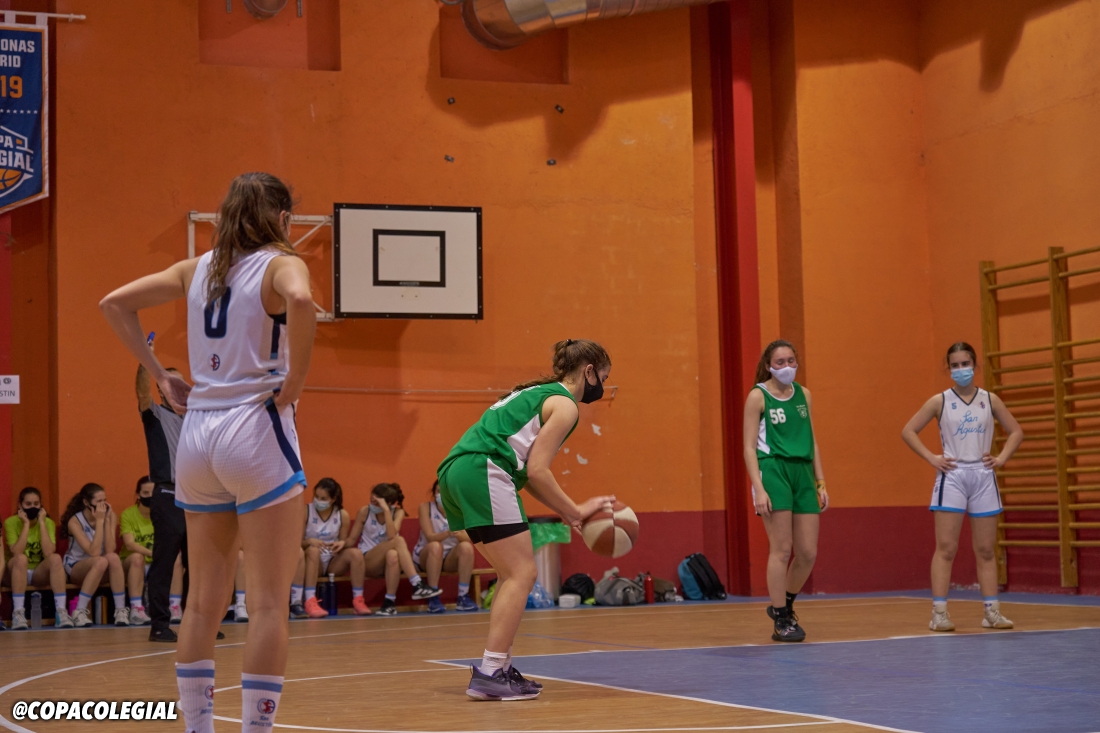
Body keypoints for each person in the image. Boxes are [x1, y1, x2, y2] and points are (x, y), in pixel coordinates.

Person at [100, 171, 315, 733]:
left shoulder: (195, 268)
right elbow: (301, 298)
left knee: (200, 603)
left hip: (197, 436)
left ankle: (198, 728)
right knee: (267, 605)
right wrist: (294, 382)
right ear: (282, 218)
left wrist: (159, 374)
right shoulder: (280, 263)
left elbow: (113, 303)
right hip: (255, 425)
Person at [438, 338, 617, 701]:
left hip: (458, 471)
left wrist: (565, 511)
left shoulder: (537, 393)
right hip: (484, 469)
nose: (603, 386)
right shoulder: (565, 405)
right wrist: (576, 509)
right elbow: (538, 470)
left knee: (512, 574)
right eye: (604, 377)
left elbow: (527, 472)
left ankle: (499, 668)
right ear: (589, 372)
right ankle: (491, 672)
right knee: (522, 573)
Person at [902, 341, 1023, 632]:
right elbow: (908, 430)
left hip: (983, 476)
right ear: (949, 369)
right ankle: (939, 613)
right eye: (955, 365)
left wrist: (1001, 458)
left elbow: (1016, 431)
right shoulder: (940, 401)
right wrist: (932, 458)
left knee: (985, 549)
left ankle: (992, 612)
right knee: (946, 547)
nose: (961, 369)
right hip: (953, 476)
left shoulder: (990, 400)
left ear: (975, 365)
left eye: (965, 364)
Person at [743, 340, 828, 643]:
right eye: (780, 362)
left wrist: (820, 481)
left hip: (803, 471)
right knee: (781, 548)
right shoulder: (758, 396)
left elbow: (812, 439)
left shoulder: (804, 394)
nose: (787, 366)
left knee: (807, 553)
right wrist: (759, 488)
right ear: (768, 365)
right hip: (774, 469)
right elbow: (748, 448)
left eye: (791, 360)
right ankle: (781, 618)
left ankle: (786, 603)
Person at [136, 339, 190, 643]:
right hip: (168, 495)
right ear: (162, 388)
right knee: (165, 561)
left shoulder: (196, 418)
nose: (181, 387)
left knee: (199, 564)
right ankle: (159, 624)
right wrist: (147, 358)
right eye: (174, 382)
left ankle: (196, 622)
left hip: (196, 497)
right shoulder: (154, 414)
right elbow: (141, 391)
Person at [350, 483, 441, 616]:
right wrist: (341, 544)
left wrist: (386, 511)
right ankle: (417, 583)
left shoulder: (398, 512)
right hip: (368, 560)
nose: (372, 505)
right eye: (371, 501)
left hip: (387, 563)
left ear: (389, 503)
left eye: (377, 503)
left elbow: (391, 534)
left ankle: (389, 603)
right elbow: (352, 539)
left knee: (393, 554)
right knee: (398, 541)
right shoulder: (364, 511)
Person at [60, 483, 129, 627]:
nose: (103, 505)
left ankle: (120, 610)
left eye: (105, 500)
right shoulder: (75, 521)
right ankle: (79, 611)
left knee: (113, 558)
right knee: (100, 561)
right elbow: (94, 552)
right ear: (86, 502)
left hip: (100, 565)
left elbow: (110, 549)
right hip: (76, 565)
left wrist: (107, 521)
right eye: (99, 502)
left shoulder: (110, 516)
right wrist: (99, 521)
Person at [3, 487, 72, 629]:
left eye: (36, 504)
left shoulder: (48, 523)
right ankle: (18, 613)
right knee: (21, 559)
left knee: (55, 558)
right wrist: (26, 525)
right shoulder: (11, 522)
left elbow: (49, 552)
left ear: (41, 505)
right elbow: (16, 552)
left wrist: (42, 523)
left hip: (37, 573)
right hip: (15, 571)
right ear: (20, 505)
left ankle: (61, 612)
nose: (32, 507)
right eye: (28, 504)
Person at [301, 478, 369, 618]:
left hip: (333, 560)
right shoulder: (306, 511)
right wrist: (309, 541)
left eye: (323, 498)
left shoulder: (342, 514)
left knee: (356, 553)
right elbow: (296, 543)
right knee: (313, 551)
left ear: (333, 499)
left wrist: (342, 543)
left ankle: (358, 600)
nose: (318, 501)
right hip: (313, 559)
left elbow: (345, 542)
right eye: (316, 496)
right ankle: (310, 600)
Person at [414, 480, 477, 613]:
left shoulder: (459, 509)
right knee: (435, 546)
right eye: (438, 491)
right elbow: (430, 537)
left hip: (449, 558)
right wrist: (448, 532)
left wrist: (459, 534)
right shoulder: (425, 507)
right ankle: (433, 596)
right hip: (426, 556)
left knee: (466, 547)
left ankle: (463, 596)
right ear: (434, 493)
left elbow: (468, 538)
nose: (441, 495)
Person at [120, 477, 156, 625]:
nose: (150, 496)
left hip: (156, 562)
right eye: (146, 493)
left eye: (153, 493)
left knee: (177, 559)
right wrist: (152, 553)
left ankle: (173, 607)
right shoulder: (128, 514)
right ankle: (136, 609)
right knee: (137, 558)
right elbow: (129, 544)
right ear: (138, 495)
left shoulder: (163, 514)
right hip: (130, 563)